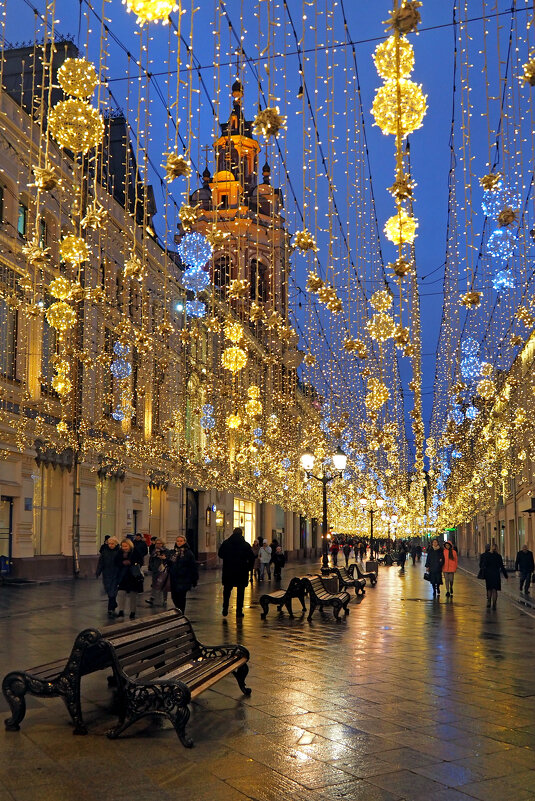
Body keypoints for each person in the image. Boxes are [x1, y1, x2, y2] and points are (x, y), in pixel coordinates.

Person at [218, 527, 255, 618]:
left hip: (228, 570)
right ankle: (239, 611)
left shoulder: (226, 543)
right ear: (241, 534)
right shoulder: (245, 545)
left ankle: (225, 608)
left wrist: (228, 558)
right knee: (240, 592)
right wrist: (249, 567)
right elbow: (252, 557)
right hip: (241, 571)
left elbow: (220, 554)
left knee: (227, 591)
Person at [166, 534, 198, 614]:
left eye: (181, 541)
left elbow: (193, 566)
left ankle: (181, 612)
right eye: (178, 541)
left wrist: (194, 579)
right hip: (174, 578)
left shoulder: (188, 553)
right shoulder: (173, 552)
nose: (179, 543)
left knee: (181, 597)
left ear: (184, 542)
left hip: (184, 578)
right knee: (174, 597)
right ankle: (178, 610)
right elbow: (170, 563)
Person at [116, 538, 144, 619]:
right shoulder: (119, 553)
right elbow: (116, 562)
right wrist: (122, 562)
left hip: (133, 577)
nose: (124, 547)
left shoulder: (135, 552)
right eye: (123, 546)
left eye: (126, 546)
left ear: (130, 545)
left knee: (133, 595)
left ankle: (132, 611)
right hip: (123, 577)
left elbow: (140, 562)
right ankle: (121, 610)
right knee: (121, 593)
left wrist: (131, 562)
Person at [96, 536, 121, 617]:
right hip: (106, 573)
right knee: (108, 589)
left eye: (112, 544)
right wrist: (98, 571)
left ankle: (110, 608)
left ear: (116, 544)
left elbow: (121, 564)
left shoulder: (119, 552)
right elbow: (101, 562)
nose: (110, 545)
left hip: (116, 574)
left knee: (113, 590)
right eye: (109, 543)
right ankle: (113, 603)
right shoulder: (105, 551)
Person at [480, 543, 508, 609]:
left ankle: (489, 602)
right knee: (495, 590)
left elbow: (483, 565)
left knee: (489, 589)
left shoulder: (487, 556)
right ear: (497, 549)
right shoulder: (498, 556)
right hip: (496, 574)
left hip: (488, 574)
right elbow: (502, 567)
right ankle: (494, 604)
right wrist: (506, 576)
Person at [145, 538, 170, 607]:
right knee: (154, 584)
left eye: (160, 543)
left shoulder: (166, 551)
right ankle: (152, 598)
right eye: (157, 543)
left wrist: (165, 558)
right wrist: (151, 567)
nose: (158, 545)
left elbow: (169, 559)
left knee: (163, 585)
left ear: (163, 544)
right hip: (155, 570)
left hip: (163, 571)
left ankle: (164, 600)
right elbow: (151, 560)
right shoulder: (154, 551)